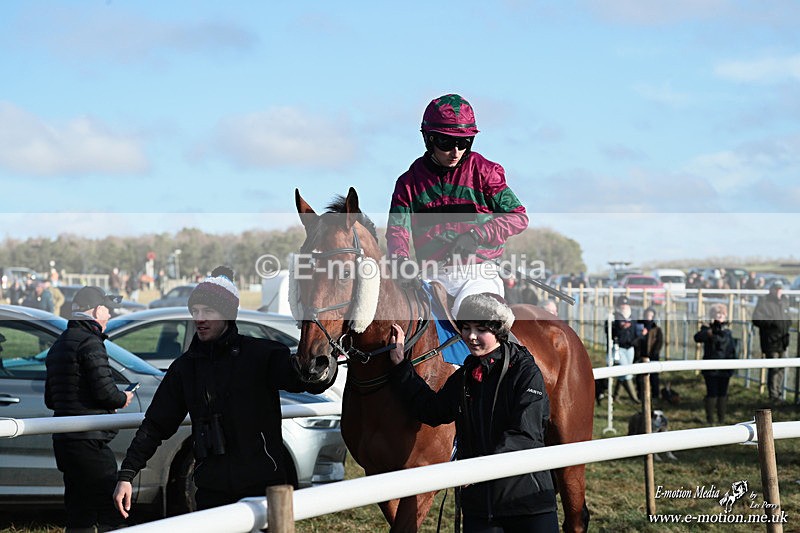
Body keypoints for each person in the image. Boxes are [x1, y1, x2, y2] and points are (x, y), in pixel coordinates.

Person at [112, 266, 336, 517]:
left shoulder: (261, 355)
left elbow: (308, 381)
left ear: (228, 314)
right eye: (195, 311)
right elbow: (155, 425)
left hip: (263, 491)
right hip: (211, 492)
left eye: (208, 311)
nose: (200, 318)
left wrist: (326, 365)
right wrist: (127, 474)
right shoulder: (185, 368)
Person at [388, 293, 558, 532]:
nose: (471, 336)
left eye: (481, 329)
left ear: (498, 331)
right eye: (466, 328)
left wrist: (479, 469)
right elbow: (432, 410)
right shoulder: (466, 375)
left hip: (526, 504)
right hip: (479, 507)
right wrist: (401, 368)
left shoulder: (526, 372)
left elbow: (524, 435)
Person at [385, 93, 529, 315]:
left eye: (464, 143)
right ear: (429, 139)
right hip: (430, 278)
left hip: (478, 276)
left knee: (475, 321)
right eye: (447, 143)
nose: (456, 152)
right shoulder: (408, 183)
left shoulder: (485, 172)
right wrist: (401, 261)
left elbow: (518, 217)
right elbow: (397, 231)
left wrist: (476, 236)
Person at [45, 285, 133, 532]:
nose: (109, 316)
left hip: (64, 442)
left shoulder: (59, 345)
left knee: (79, 513)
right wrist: (122, 398)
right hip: (90, 442)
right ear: (95, 311)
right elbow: (106, 392)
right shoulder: (91, 343)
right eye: (107, 310)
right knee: (112, 511)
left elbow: (51, 399)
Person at [694, 304, 737, 424]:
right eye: (717, 315)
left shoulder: (728, 331)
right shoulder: (707, 330)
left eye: (722, 314)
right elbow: (697, 337)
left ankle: (721, 419)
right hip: (711, 368)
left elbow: (731, 349)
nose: (720, 317)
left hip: (725, 367)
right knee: (712, 393)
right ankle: (710, 419)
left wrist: (732, 365)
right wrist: (709, 332)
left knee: (723, 393)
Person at [752, 281, 790, 403]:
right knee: (774, 368)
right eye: (776, 288)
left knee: (782, 368)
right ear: (772, 289)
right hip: (770, 341)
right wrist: (772, 323)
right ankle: (773, 395)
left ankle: (778, 392)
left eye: (780, 289)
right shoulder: (764, 302)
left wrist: (787, 323)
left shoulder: (784, 301)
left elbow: (787, 317)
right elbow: (756, 319)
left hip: (783, 340)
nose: (779, 291)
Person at [608, 296, 641, 402]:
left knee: (624, 372)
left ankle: (616, 396)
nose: (624, 306)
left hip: (630, 348)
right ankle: (634, 397)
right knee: (627, 372)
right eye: (622, 304)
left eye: (626, 304)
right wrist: (621, 329)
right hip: (619, 348)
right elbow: (610, 333)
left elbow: (636, 331)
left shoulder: (633, 316)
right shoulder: (614, 317)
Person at [634, 307, 664, 402]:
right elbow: (635, 341)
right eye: (647, 314)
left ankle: (655, 395)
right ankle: (640, 395)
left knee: (654, 377)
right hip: (641, 355)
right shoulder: (639, 326)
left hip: (652, 356)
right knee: (639, 377)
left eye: (650, 315)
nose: (648, 317)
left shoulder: (656, 329)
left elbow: (659, 342)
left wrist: (654, 354)